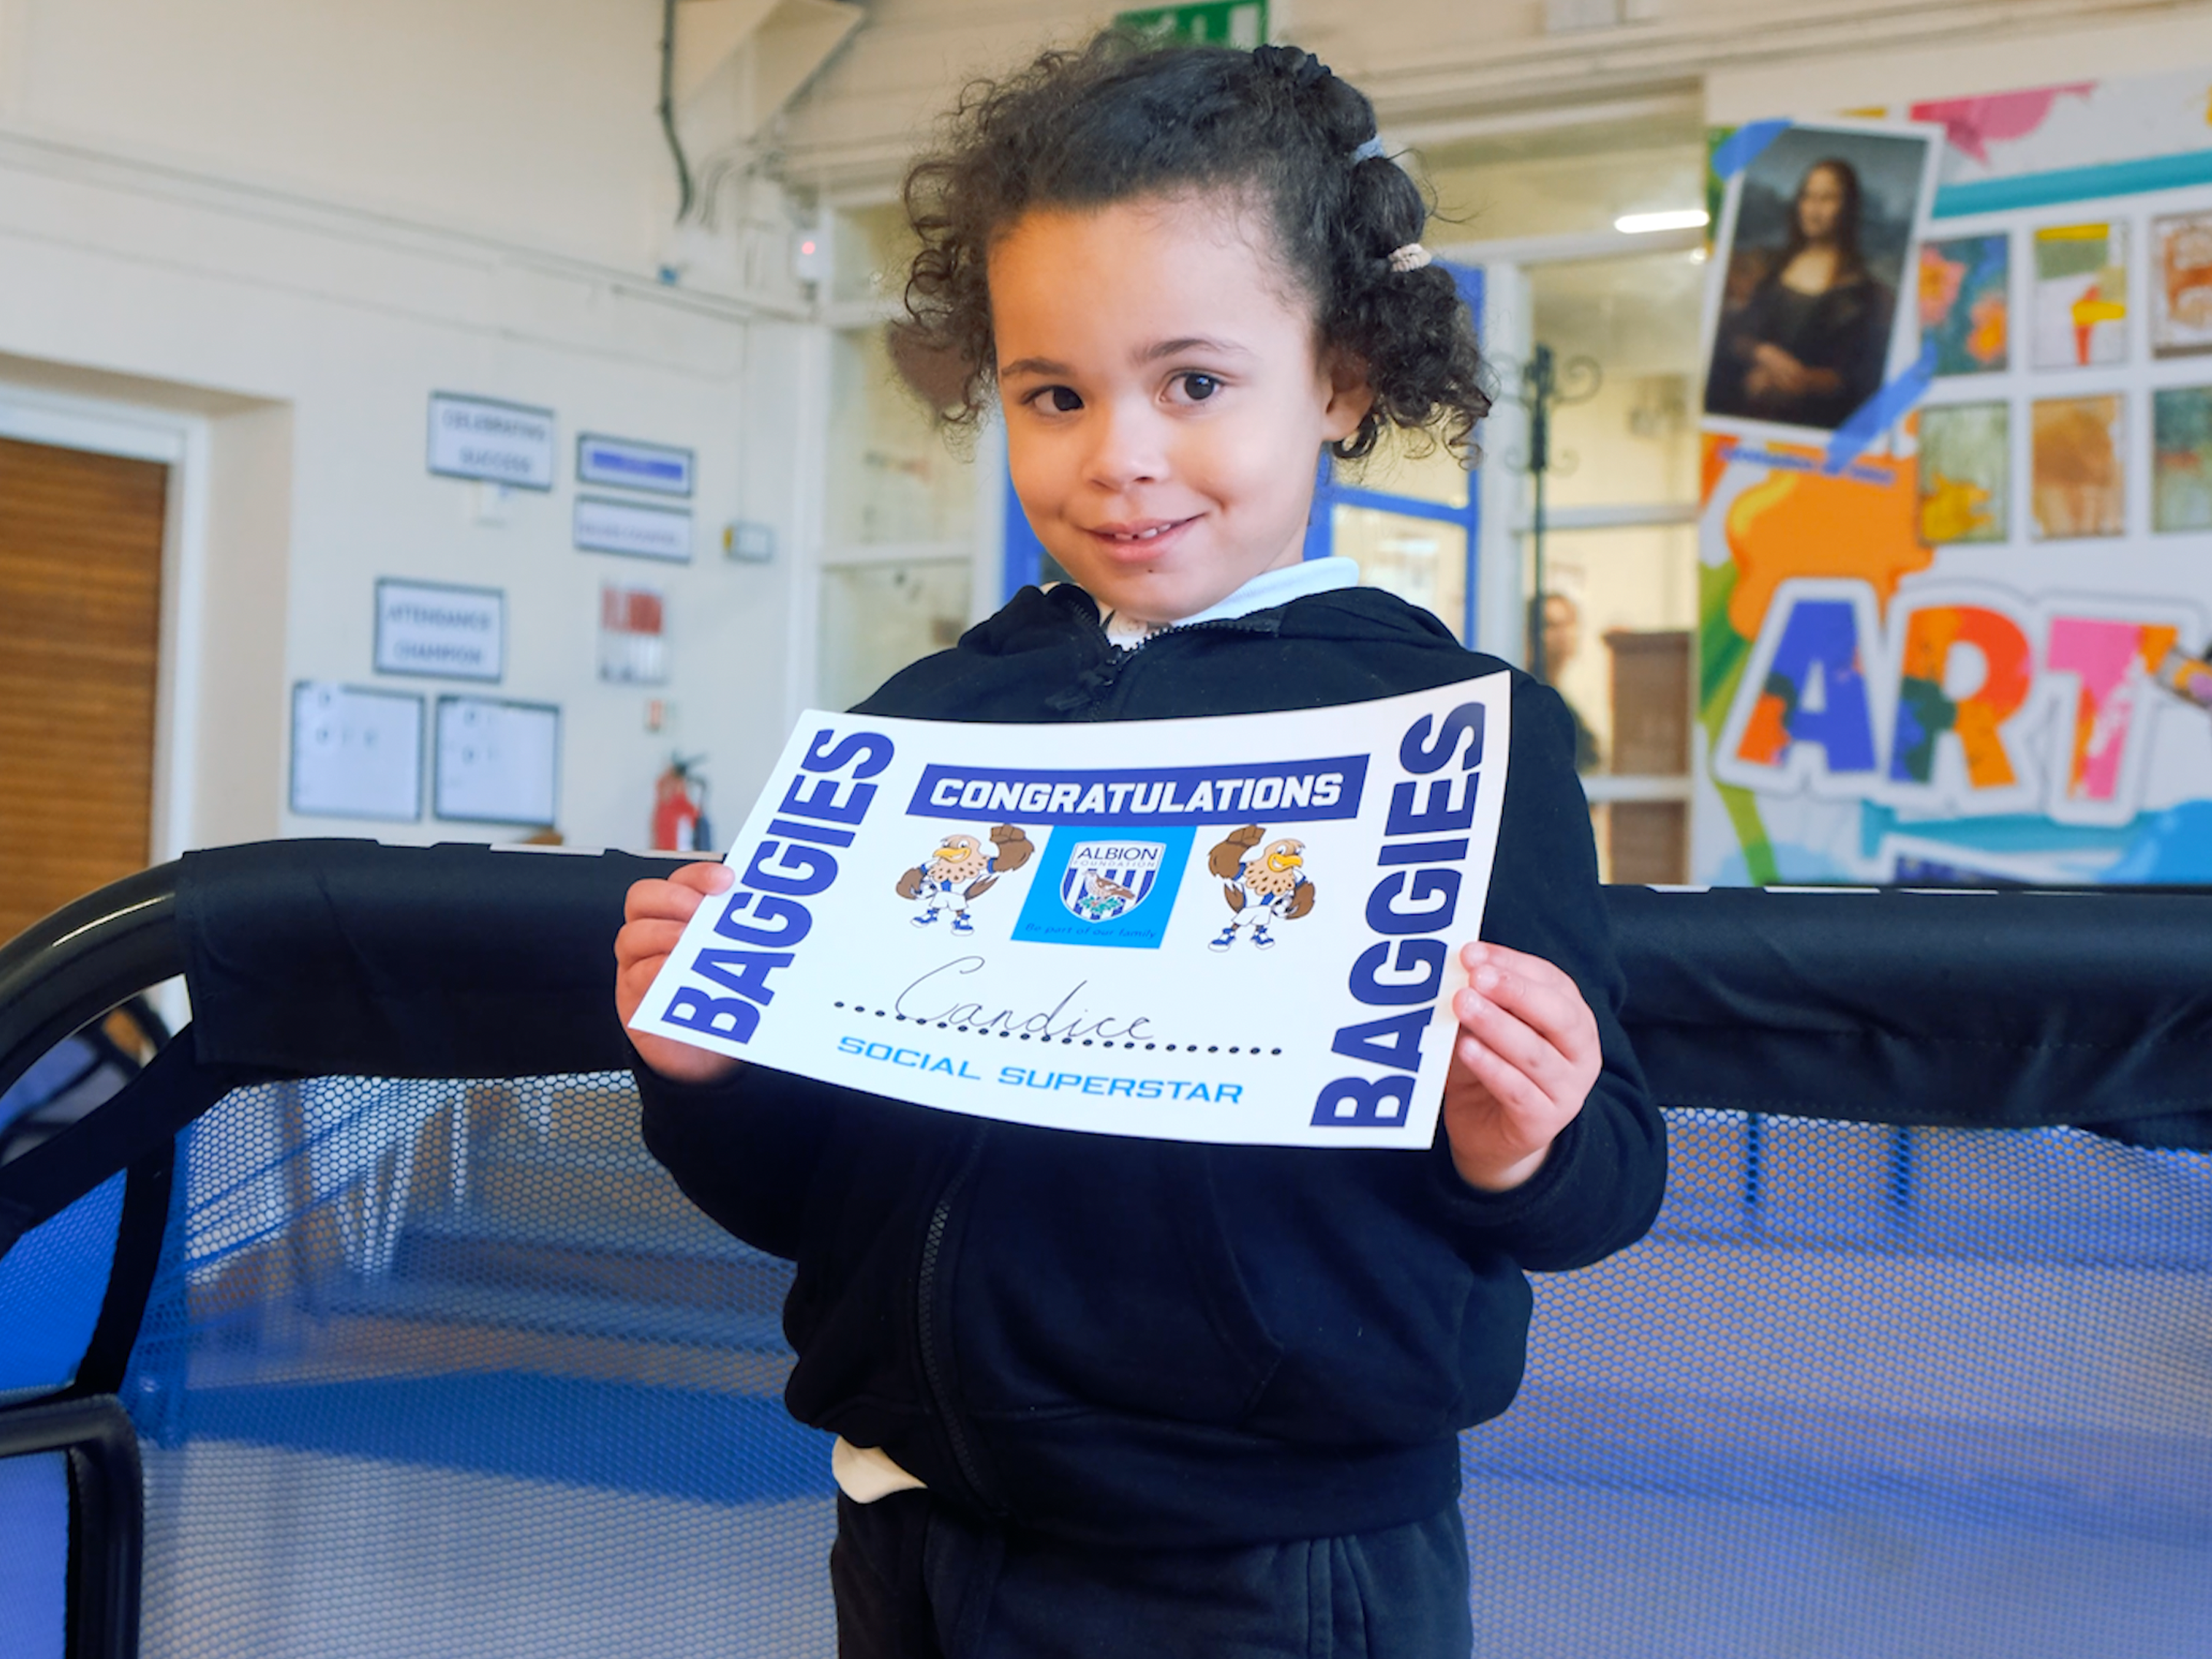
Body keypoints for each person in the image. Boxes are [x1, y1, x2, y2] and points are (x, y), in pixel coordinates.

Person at [614, 35, 1664, 1657]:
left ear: (1341, 377)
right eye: (1054, 393)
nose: (1118, 454)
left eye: (1194, 382)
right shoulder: (928, 724)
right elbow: (825, 1197)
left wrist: (1521, 1136)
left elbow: (1600, 1188)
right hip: (906, 1524)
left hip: (1260, 1568)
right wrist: (700, 1070)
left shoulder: (1460, 732)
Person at [1705, 157, 1894, 431]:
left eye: (1827, 199)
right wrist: (1762, 353)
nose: (1813, 209)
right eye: (1808, 197)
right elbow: (1733, 333)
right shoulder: (1772, 268)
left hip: (1810, 426)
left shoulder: (1861, 292)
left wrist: (1800, 380)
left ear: (1847, 207)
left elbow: (1856, 375)